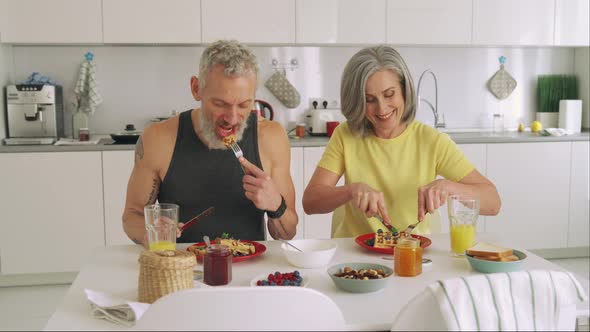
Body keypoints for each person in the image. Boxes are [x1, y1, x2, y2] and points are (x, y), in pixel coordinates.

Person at [302, 45, 501, 237]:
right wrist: (351, 191)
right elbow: (310, 202)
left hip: (412, 253)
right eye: (369, 100)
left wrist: (449, 187)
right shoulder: (346, 135)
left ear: (405, 91)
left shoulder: (431, 141)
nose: (382, 109)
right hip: (355, 258)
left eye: (389, 94)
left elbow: (493, 203)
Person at [123, 40, 298, 246]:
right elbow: (132, 215)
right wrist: (149, 232)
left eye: (244, 104)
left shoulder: (271, 137)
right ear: (196, 88)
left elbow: (286, 234)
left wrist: (276, 205)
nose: (232, 118)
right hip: (180, 269)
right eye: (220, 103)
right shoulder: (157, 138)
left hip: (251, 271)